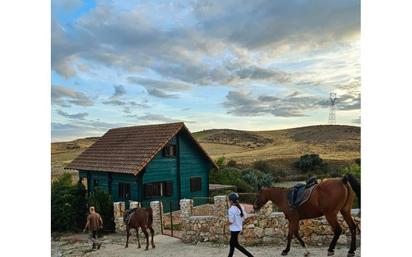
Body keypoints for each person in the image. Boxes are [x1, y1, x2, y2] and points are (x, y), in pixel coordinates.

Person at [227, 193, 254, 257]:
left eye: (228, 200)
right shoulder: (240, 206)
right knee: (232, 244)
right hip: (238, 228)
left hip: (234, 229)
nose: (228, 201)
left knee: (234, 244)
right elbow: (245, 217)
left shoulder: (231, 210)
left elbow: (231, 221)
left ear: (231, 201)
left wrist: (226, 224)